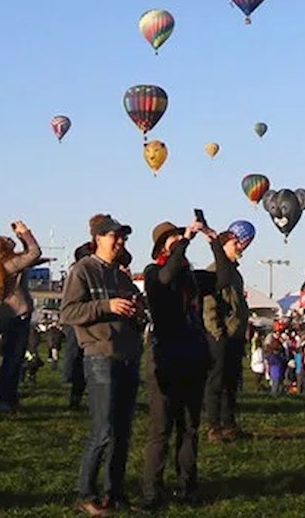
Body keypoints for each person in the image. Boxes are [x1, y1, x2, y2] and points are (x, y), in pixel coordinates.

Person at [61, 214, 143, 517]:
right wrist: (105, 306)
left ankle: (114, 493)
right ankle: (86, 492)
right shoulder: (83, 271)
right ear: (98, 237)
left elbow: (135, 307)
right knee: (103, 430)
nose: (119, 241)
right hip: (99, 355)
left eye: (122, 237)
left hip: (127, 355)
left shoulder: (120, 276)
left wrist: (136, 311)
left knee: (122, 431)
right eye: (114, 236)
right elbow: (69, 312)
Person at [141, 218, 217, 508]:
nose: (180, 243)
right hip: (166, 358)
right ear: (162, 246)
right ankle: (152, 491)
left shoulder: (193, 277)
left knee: (189, 428)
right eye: (171, 239)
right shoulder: (153, 272)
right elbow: (165, 276)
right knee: (161, 430)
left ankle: (187, 486)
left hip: (193, 356)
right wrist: (184, 239)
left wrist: (212, 242)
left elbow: (222, 278)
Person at [0, 220, 43, 413]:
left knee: (9, 358)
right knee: (13, 359)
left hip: (7, 316)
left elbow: (28, 256)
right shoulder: (11, 264)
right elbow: (34, 253)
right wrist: (25, 233)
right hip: (18, 315)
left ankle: (7, 398)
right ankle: (6, 399)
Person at [198, 226, 249, 439]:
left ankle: (229, 424)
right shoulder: (215, 271)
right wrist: (217, 332)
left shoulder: (235, 273)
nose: (240, 246)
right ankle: (214, 426)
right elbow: (209, 304)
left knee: (231, 381)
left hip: (235, 335)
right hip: (220, 335)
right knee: (216, 382)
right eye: (234, 243)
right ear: (223, 246)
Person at [61, 242, 94, 410]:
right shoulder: (80, 274)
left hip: (83, 319)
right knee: (78, 358)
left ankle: (76, 393)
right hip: (79, 320)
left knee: (78, 358)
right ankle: (75, 392)